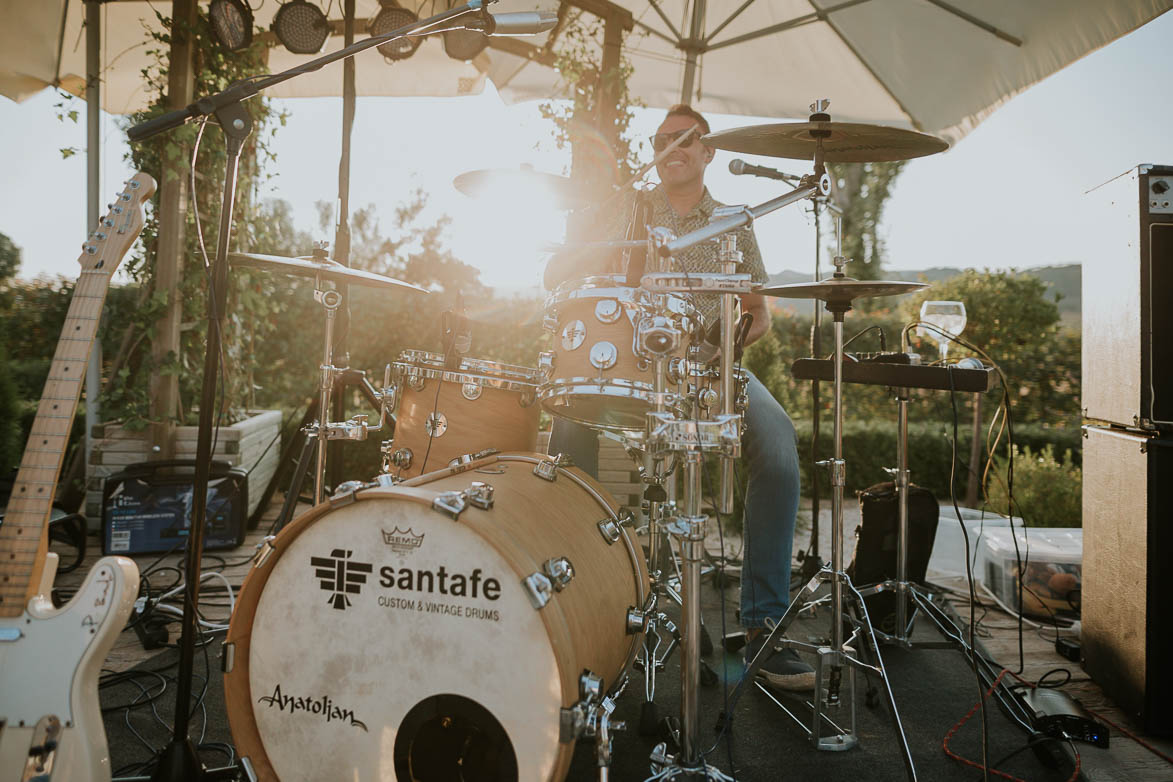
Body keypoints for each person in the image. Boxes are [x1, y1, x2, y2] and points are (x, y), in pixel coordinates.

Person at [544, 105, 814, 691]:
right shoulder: (633, 208)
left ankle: (765, 623)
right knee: (568, 427)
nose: (672, 147)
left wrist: (720, 352)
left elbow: (758, 315)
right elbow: (576, 278)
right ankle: (575, 597)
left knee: (778, 444)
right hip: (638, 364)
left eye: (686, 139)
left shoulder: (735, 220)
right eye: (662, 139)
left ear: (708, 151)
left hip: (709, 367)